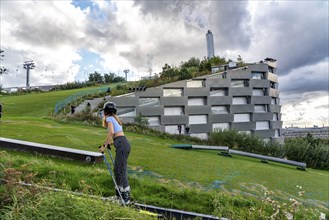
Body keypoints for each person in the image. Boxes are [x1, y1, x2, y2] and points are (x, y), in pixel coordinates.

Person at [99, 102, 131, 205]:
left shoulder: (109, 119)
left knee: (120, 170)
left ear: (105, 112)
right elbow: (118, 136)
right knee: (117, 170)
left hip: (122, 144)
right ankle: (118, 196)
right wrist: (110, 143)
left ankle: (126, 198)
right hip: (122, 143)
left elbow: (112, 133)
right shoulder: (115, 119)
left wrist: (104, 145)